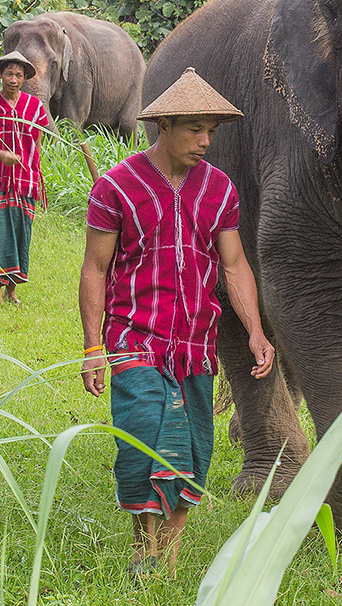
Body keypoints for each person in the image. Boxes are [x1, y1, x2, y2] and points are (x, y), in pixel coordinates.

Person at [79, 67, 275, 578]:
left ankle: (168, 556)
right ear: (162, 125)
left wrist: (255, 330)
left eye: (211, 130)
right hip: (133, 336)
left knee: (192, 446)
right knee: (144, 433)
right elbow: (95, 269)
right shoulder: (115, 186)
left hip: (194, 344)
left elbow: (233, 266)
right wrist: (91, 346)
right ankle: (146, 549)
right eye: (194, 129)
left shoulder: (220, 190)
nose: (205, 141)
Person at [0, 52, 51, 308]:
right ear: (0, 75)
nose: (13, 79)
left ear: (25, 78)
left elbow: (36, 144)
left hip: (26, 181)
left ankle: (12, 290)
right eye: (9, 74)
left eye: (18, 75)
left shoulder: (35, 107)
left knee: (21, 234)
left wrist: (33, 172)